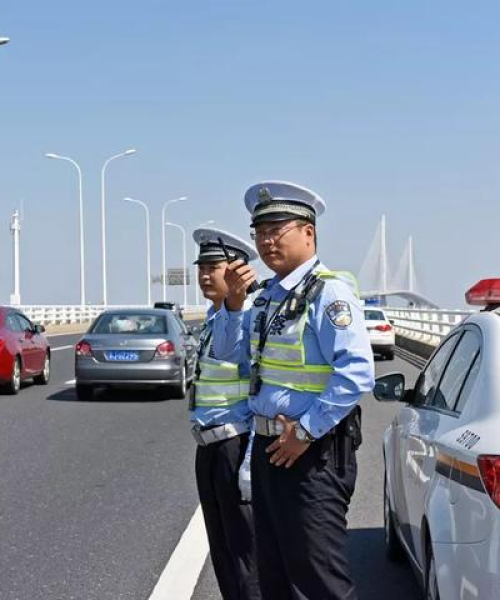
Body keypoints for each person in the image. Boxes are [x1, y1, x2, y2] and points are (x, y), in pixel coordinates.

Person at [212, 181, 375, 600]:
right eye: (259, 232)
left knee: (320, 580)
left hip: (312, 453)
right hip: (270, 449)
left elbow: (356, 372)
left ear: (308, 232)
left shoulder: (329, 293)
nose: (266, 241)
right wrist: (233, 304)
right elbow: (231, 356)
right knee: (275, 576)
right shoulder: (266, 298)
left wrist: (304, 432)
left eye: (276, 230)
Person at [190, 227, 261, 600]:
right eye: (201, 266)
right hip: (211, 447)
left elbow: (257, 388)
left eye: (213, 266)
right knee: (223, 553)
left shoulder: (250, 317)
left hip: (237, 443)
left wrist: (249, 462)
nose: (204, 274)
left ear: (238, 270)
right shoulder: (213, 316)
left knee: (246, 555)